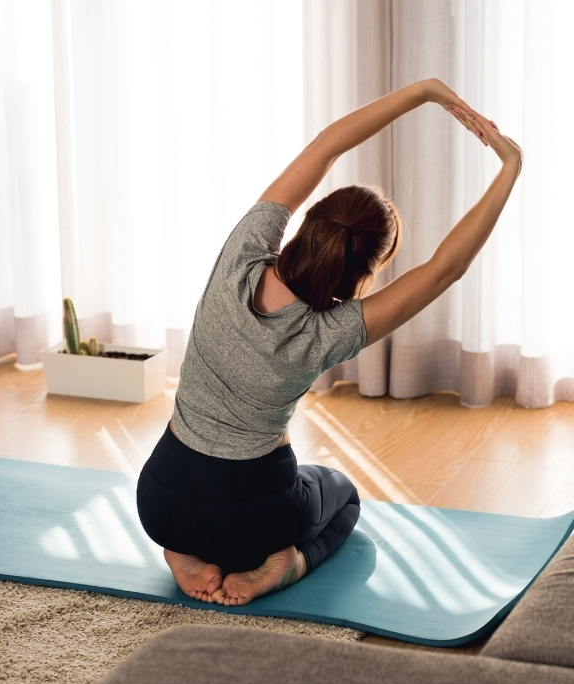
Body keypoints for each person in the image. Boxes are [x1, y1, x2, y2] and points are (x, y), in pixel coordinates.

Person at [136, 78, 523, 607]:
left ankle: (182, 550)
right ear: (363, 269)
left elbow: (328, 145)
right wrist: (510, 166)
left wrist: (426, 93)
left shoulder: (240, 255)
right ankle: (287, 564)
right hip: (257, 519)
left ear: (310, 223)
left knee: (202, 504)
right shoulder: (330, 331)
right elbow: (444, 271)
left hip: (158, 500)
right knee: (341, 495)